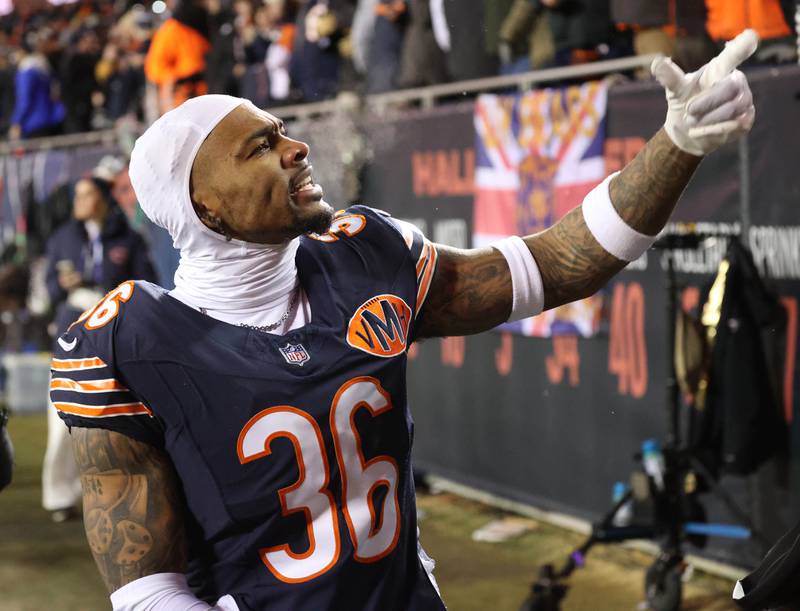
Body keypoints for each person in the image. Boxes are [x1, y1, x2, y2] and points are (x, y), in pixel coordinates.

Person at [51, 30, 757, 610]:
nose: (296, 148)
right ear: (204, 207)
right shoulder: (132, 342)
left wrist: (678, 141)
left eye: (282, 132)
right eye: (260, 147)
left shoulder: (362, 258)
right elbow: (145, 589)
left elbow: (554, 264)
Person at [42, 173, 157, 523]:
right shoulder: (63, 237)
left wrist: (96, 283)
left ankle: (124, 491)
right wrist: (63, 286)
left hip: (115, 333)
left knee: (121, 416)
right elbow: (49, 287)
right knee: (61, 419)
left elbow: (145, 284)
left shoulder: (129, 238)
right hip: (72, 336)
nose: (79, 201)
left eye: (87, 194)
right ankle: (59, 496)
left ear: (104, 199)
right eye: (77, 194)